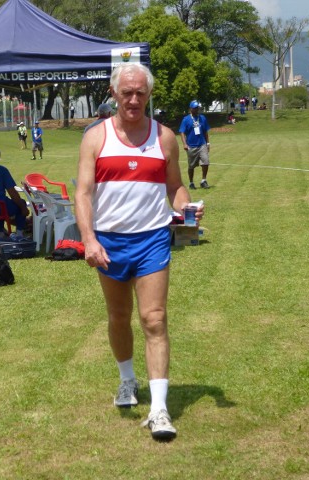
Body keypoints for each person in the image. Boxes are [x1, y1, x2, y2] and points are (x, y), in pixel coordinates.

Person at [76, 63, 204, 441]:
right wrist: (89, 240)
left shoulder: (164, 137)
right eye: (127, 93)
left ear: (149, 95)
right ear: (113, 94)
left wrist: (188, 206)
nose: (134, 99)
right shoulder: (95, 138)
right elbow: (83, 193)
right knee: (118, 317)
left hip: (151, 239)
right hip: (109, 242)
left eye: (141, 93)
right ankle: (127, 381)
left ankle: (160, 410)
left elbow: (176, 186)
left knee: (154, 319)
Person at [179, 100, 211, 190]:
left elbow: (205, 131)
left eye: (198, 108)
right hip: (191, 146)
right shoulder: (186, 120)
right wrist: (185, 144)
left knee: (206, 161)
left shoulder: (202, 118)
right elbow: (182, 132)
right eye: (195, 108)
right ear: (190, 109)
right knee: (191, 166)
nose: (197, 109)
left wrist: (208, 143)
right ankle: (191, 182)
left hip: (202, 144)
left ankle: (203, 181)